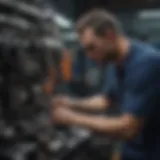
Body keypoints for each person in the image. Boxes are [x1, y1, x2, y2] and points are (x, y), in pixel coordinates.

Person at [52, 9, 160, 160]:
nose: (89, 56)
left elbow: (128, 128)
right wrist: (69, 103)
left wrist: (71, 118)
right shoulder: (118, 63)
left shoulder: (146, 64)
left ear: (110, 35)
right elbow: (105, 100)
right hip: (130, 151)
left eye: (92, 47)